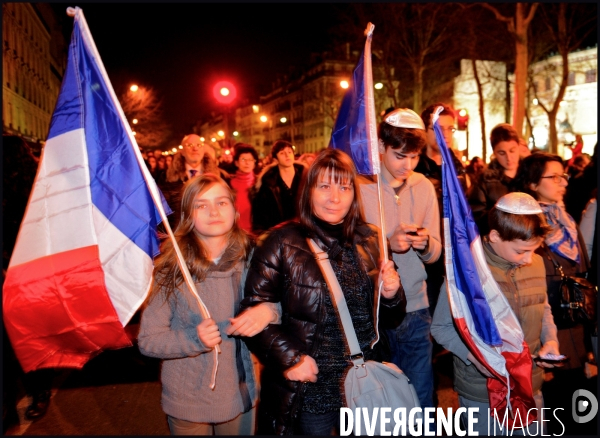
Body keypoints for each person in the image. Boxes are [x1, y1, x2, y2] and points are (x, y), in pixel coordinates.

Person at [240, 149, 404, 435]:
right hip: (311, 390)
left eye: (344, 187)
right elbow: (253, 315)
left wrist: (392, 295)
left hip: (364, 387)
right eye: (324, 186)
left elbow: (388, 321)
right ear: (308, 190)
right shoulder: (281, 242)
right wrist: (291, 359)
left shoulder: (370, 240)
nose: (335, 198)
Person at [138, 174, 277, 435]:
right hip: (188, 401)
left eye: (221, 202)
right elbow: (148, 340)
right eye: (201, 205)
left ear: (235, 210)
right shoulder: (171, 268)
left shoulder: (256, 258)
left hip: (240, 392)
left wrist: (267, 311)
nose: (213, 211)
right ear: (188, 214)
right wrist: (193, 338)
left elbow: (286, 306)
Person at [431, 192, 560, 435]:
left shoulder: (536, 264)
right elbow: (441, 328)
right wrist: (473, 357)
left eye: (534, 250)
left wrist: (550, 339)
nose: (528, 259)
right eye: (521, 251)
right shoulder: (467, 274)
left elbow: (542, 308)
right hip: (483, 392)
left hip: (529, 384)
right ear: (494, 236)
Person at [357, 108, 441, 410]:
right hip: (374, 308)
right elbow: (350, 254)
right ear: (381, 146)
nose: (408, 165)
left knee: (420, 395)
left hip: (416, 306)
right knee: (381, 398)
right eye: (400, 156)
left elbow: (435, 254)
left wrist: (425, 242)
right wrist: (387, 245)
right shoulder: (359, 186)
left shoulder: (424, 186)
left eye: (415, 157)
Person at [512, 152, 596, 435]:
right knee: (554, 392)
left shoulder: (566, 217)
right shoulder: (525, 221)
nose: (563, 182)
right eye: (554, 177)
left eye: (564, 176)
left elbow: (582, 260)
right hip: (547, 315)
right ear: (533, 184)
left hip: (574, 315)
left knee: (578, 390)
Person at [415, 103, 466, 313]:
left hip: (456, 254)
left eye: (450, 128)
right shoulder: (414, 168)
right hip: (426, 258)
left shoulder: (459, 168)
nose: (445, 134)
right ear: (424, 131)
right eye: (437, 128)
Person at [158, 134, 224, 229]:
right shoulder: (167, 177)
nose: (195, 149)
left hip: (210, 231)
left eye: (199, 145)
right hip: (180, 232)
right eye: (189, 145)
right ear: (182, 152)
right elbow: (163, 210)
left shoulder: (218, 176)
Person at [468, 123, 520, 236]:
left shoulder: (531, 174)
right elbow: (476, 216)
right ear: (494, 153)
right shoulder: (485, 180)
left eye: (512, 151)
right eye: (502, 153)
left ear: (519, 147)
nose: (509, 158)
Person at [251, 140, 306, 236]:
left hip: (304, 231)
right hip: (279, 234)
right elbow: (261, 213)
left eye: (289, 152)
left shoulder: (305, 176)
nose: (287, 155)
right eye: (282, 153)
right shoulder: (268, 182)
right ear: (276, 159)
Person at [230, 143, 259, 235]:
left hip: (255, 233)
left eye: (250, 160)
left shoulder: (260, 183)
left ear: (254, 163)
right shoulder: (228, 184)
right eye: (243, 159)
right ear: (236, 162)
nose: (247, 163)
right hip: (234, 233)